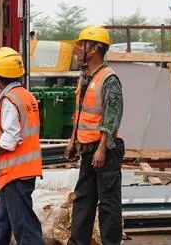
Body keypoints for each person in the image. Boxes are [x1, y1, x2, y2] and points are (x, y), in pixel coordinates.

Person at [0, 47, 44, 245]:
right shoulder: (26, 96)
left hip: (15, 172)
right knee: (1, 220)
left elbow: (10, 138)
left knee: (24, 225)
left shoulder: (9, 100)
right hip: (23, 171)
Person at [67, 26, 124, 245]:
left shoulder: (109, 79)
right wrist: (73, 141)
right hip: (87, 149)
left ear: (95, 48)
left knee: (108, 205)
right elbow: (80, 113)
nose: (78, 48)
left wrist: (102, 149)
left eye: (82, 44)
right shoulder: (86, 77)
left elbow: (112, 118)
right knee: (83, 201)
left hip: (105, 152)